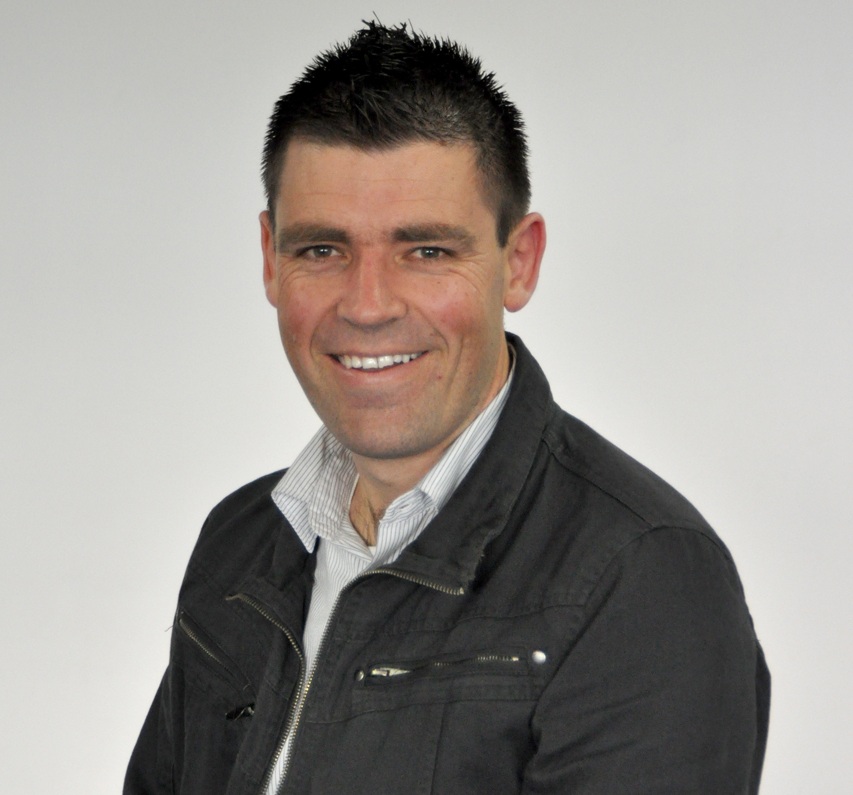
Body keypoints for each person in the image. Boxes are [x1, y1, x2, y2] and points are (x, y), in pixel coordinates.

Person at [125, 21, 769, 795]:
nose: (367, 305)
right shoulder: (238, 543)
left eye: (426, 251)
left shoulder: (641, 579)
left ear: (518, 262)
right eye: (322, 249)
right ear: (269, 259)